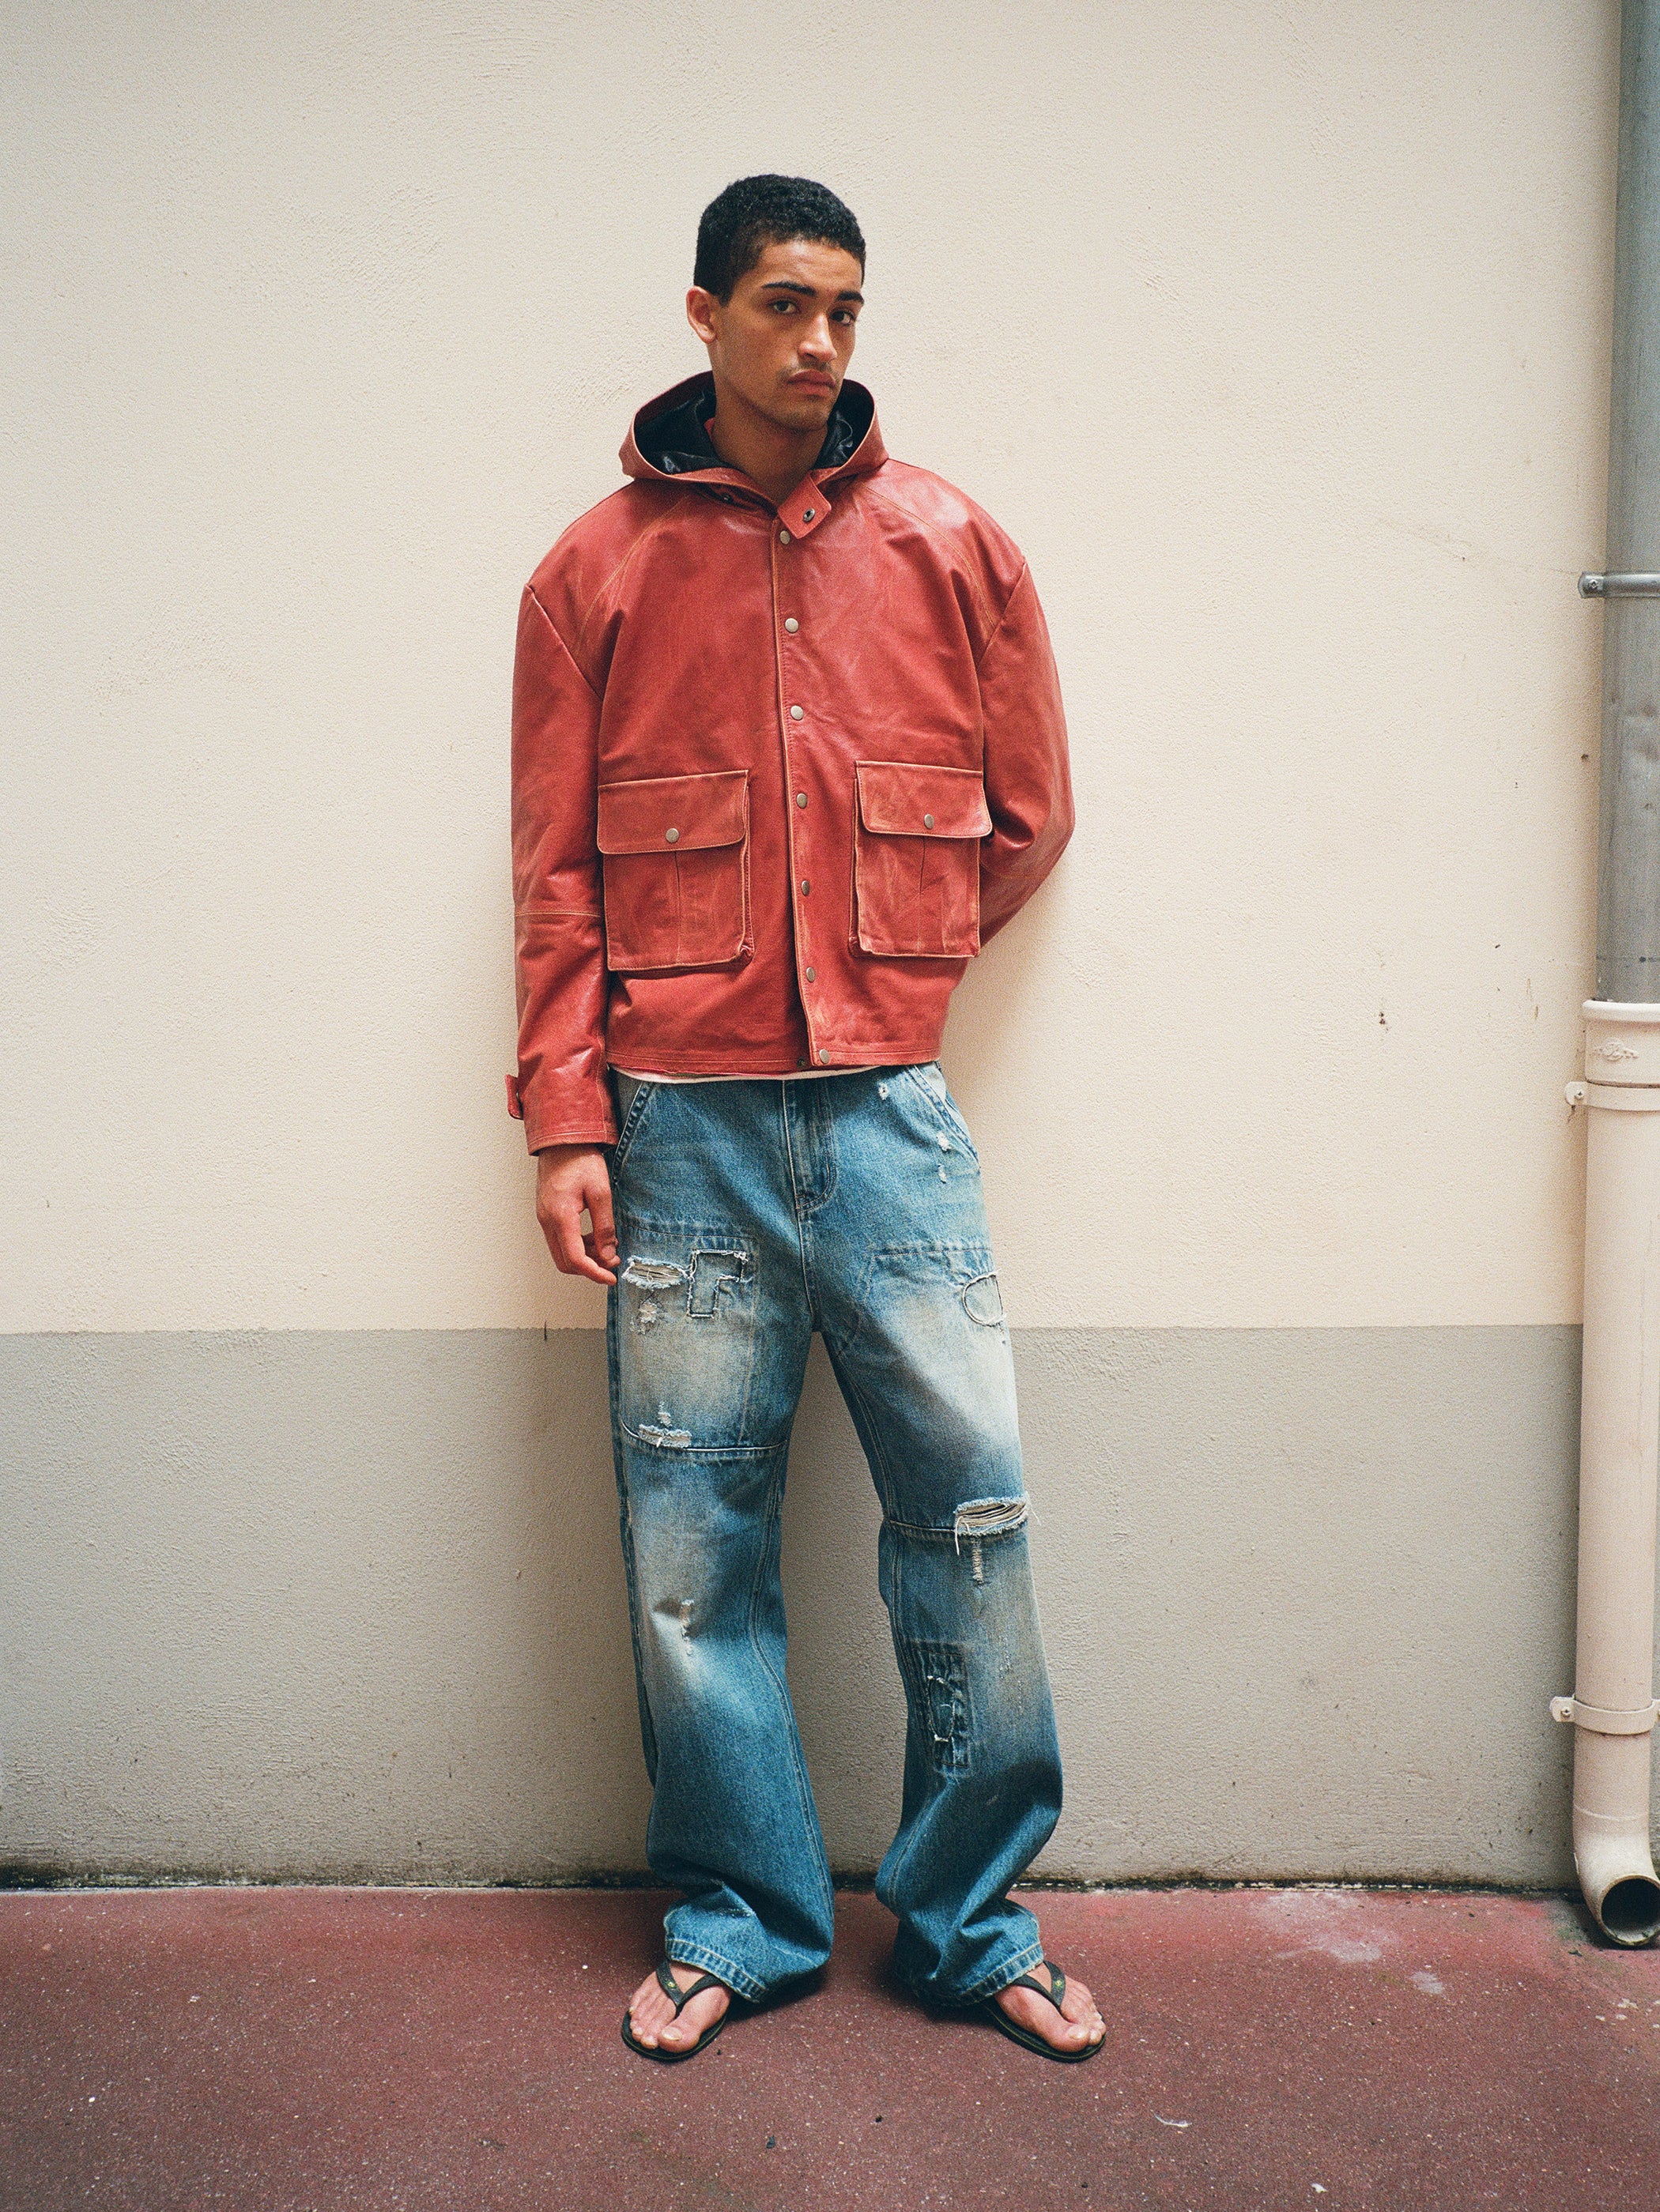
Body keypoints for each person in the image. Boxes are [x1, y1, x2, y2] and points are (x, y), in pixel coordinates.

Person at [508, 174, 1102, 2063]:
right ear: (704, 314)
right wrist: (567, 1117)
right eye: (782, 302)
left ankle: (971, 1919)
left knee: (972, 1516)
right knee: (696, 1549)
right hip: (676, 1131)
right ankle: (743, 1919)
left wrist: (892, 964)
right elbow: (554, 877)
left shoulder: (953, 546)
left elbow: (1031, 813)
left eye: (845, 306)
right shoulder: (592, 572)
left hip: (893, 1119)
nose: (821, 340)